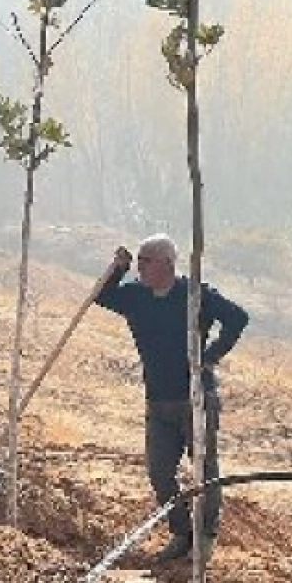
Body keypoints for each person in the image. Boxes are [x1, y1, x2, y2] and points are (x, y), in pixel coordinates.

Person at [95, 234, 249, 562]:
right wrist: (117, 269)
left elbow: (238, 318)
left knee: (203, 469)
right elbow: (101, 296)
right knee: (159, 472)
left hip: (195, 397)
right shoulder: (136, 296)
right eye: (138, 261)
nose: (141, 267)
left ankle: (205, 535)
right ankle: (181, 532)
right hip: (158, 399)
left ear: (167, 263)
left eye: (145, 261)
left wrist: (211, 355)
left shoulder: (194, 294)